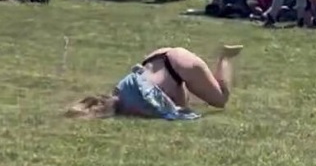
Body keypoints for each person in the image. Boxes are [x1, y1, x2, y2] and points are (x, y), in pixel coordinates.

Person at [66, 44, 243, 120]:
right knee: (186, 96)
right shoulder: (119, 89)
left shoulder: (136, 107)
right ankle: (215, 69)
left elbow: (175, 112)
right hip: (157, 58)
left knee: (221, 100)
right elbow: (180, 103)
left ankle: (224, 58)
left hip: (178, 64)